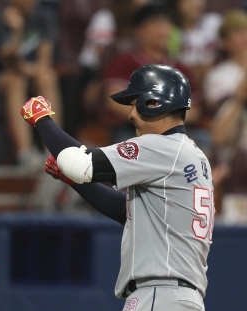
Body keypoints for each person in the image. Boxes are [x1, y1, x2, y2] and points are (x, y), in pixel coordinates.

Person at [21, 64, 212, 311]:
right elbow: (125, 212)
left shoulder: (162, 148)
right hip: (168, 298)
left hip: (161, 297)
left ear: (155, 103)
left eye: (136, 102)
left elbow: (79, 163)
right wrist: (74, 181)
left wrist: (43, 120)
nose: (131, 114)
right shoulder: (190, 156)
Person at [101, 4, 203, 145]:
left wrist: (163, 121)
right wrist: (155, 119)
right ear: (138, 30)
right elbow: (114, 102)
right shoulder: (124, 62)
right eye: (156, 23)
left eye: (167, 23)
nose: (163, 30)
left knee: (203, 144)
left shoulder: (180, 68)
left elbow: (195, 110)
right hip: (130, 129)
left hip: (175, 133)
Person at [0, 0, 61, 169]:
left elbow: (44, 59)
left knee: (47, 77)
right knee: (15, 81)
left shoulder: (44, 16)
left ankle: (55, 150)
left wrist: (32, 69)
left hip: (28, 71)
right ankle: (25, 154)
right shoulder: (0, 18)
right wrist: (17, 32)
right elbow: (7, 59)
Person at [204, 9, 247, 223]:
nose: (245, 37)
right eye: (238, 32)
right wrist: (240, 94)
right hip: (233, 145)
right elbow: (219, 128)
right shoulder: (219, 74)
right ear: (225, 41)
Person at [167, 0, 222, 84]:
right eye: (188, 1)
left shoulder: (214, 22)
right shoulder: (170, 32)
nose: (196, 3)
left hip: (218, 79)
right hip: (186, 83)